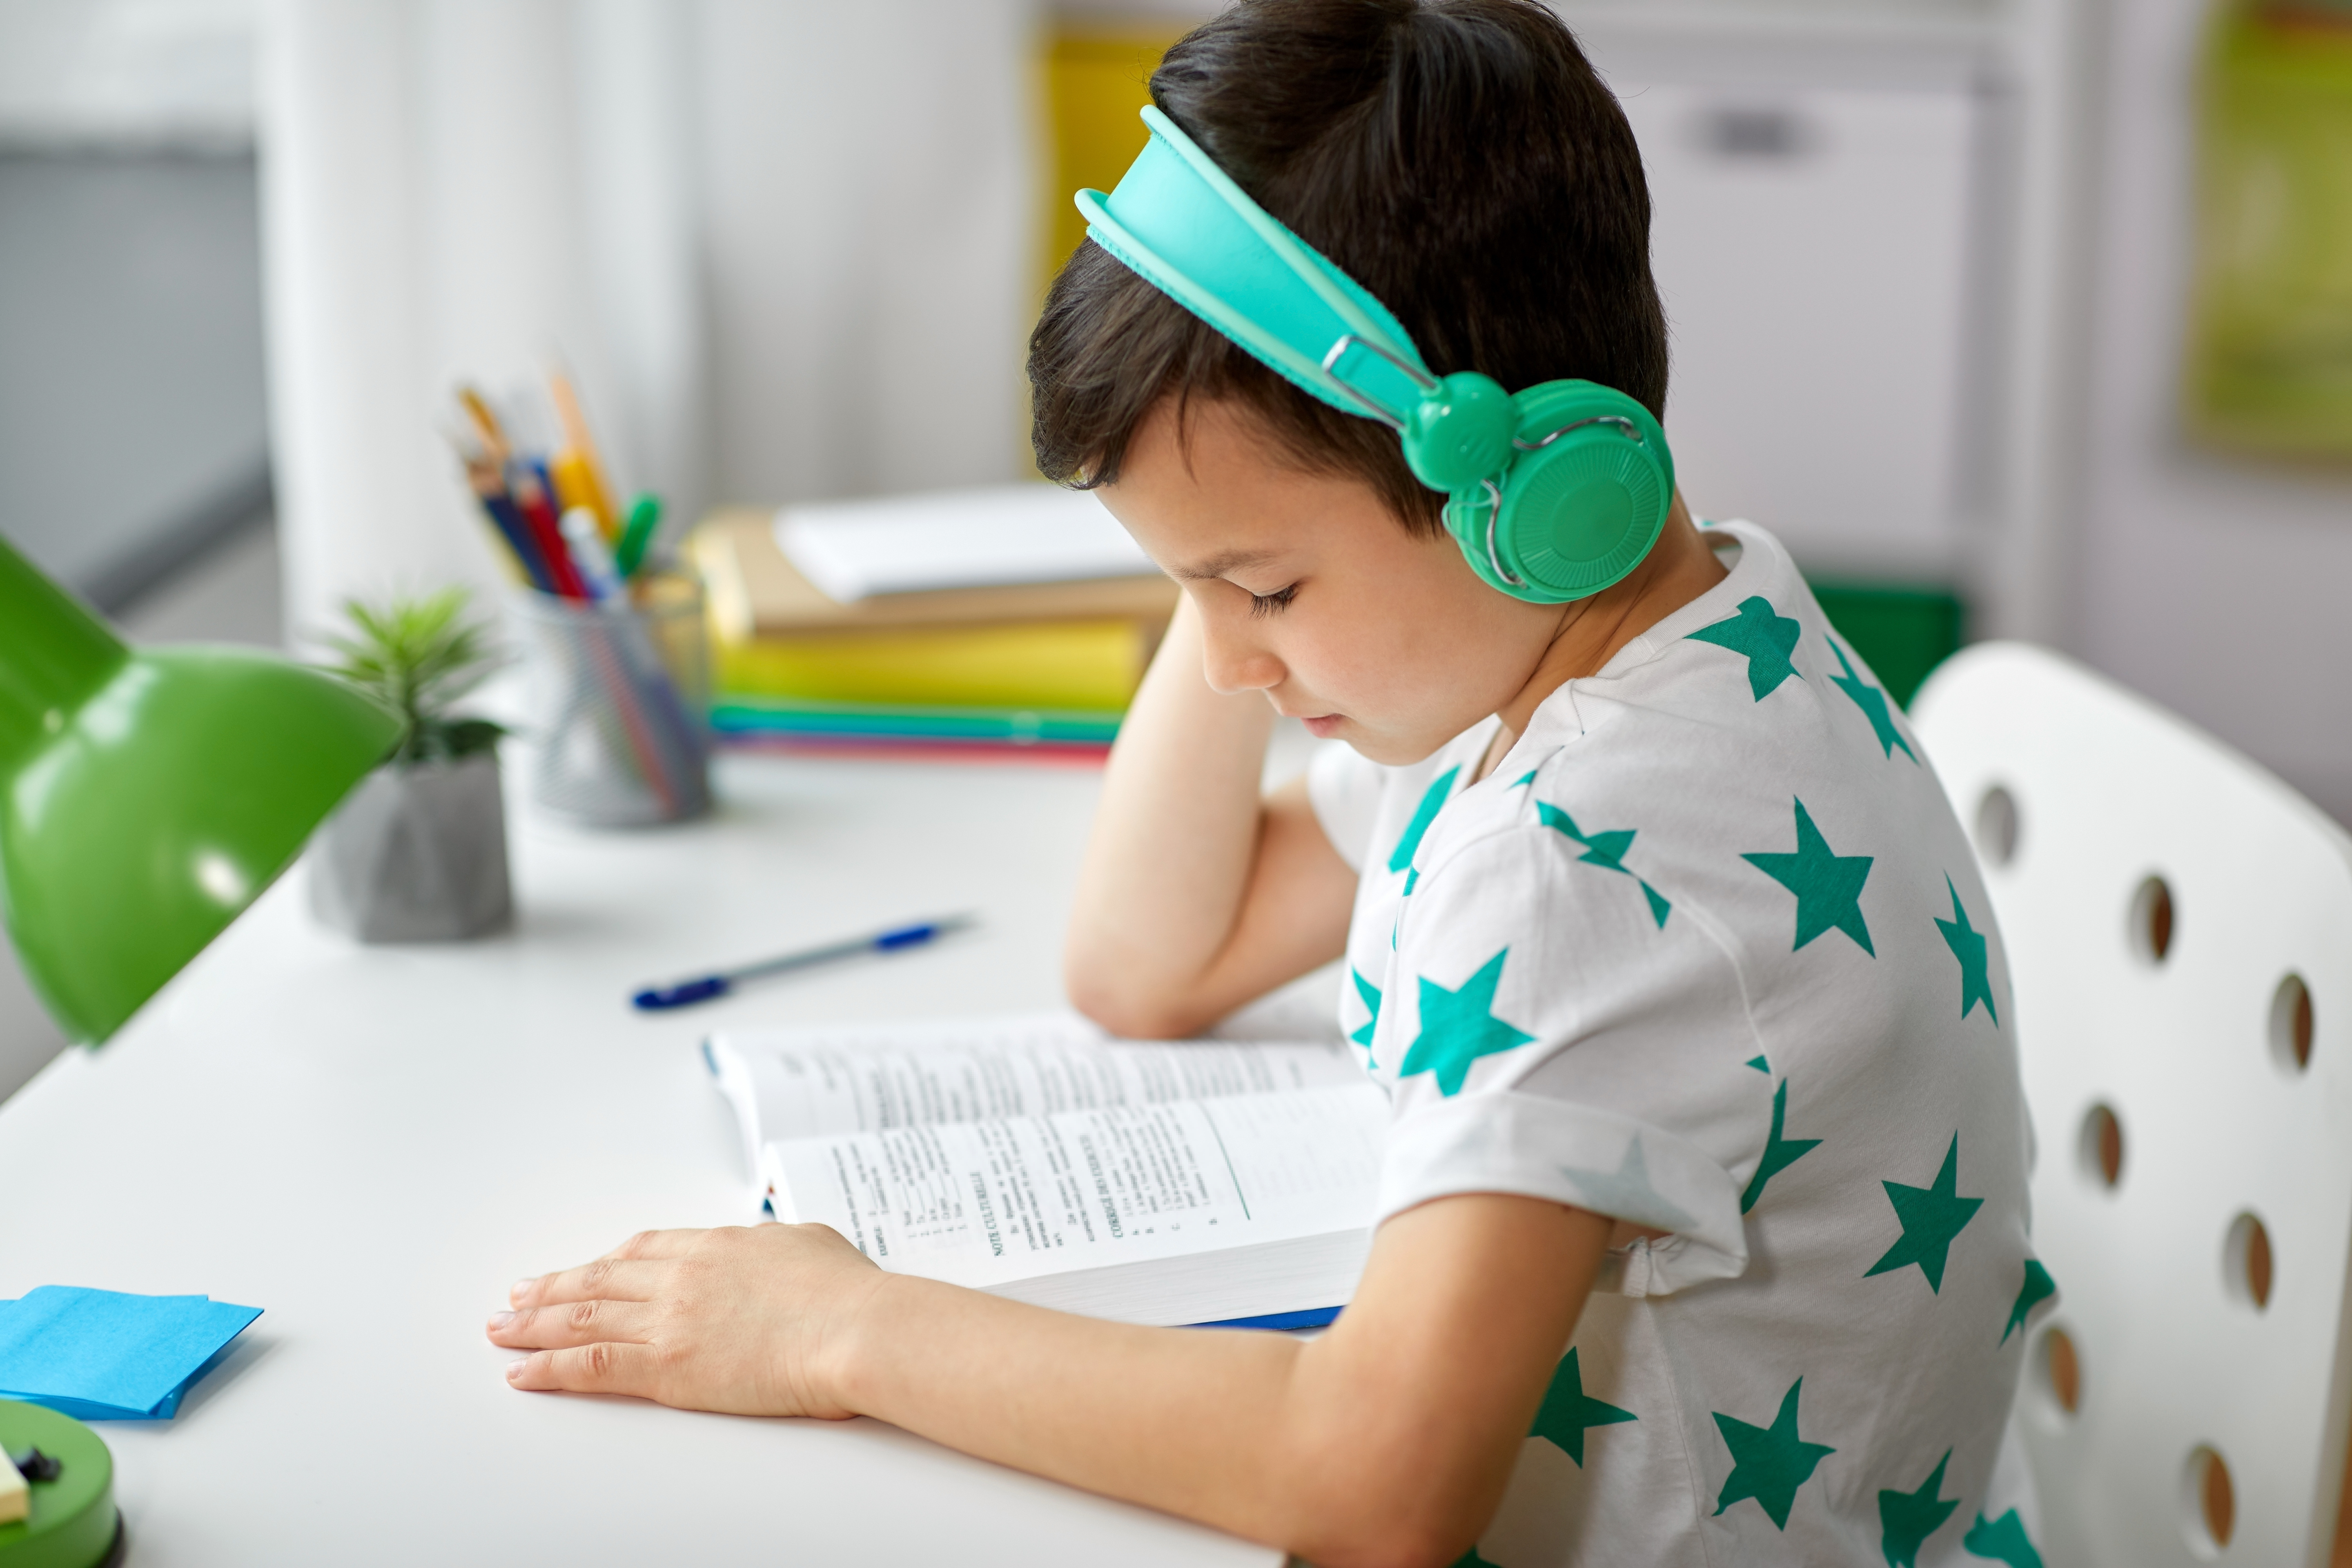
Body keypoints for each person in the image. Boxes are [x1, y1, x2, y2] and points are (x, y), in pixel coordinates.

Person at [487, 3, 2049, 1563]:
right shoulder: (1668, 638)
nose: (1231, 666)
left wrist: (841, 1331)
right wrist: (1223, 549)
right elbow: (1151, 964)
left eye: (1272, 593)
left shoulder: (1599, 854)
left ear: (1552, 502)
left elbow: (1372, 1484)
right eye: (1194, 593)